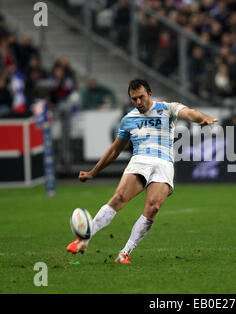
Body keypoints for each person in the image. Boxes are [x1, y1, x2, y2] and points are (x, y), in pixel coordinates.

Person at [66, 79, 219, 263]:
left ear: (150, 94)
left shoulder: (167, 108)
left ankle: (125, 253)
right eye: (134, 99)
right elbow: (115, 150)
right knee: (118, 198)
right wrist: (93, 172)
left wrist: (202, 118)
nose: (138, 102)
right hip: (140, 161)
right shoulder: (128, 119)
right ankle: (84, 239)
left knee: (153, 208)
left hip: (164, 163)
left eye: (141, 97)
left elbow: (189, 113)